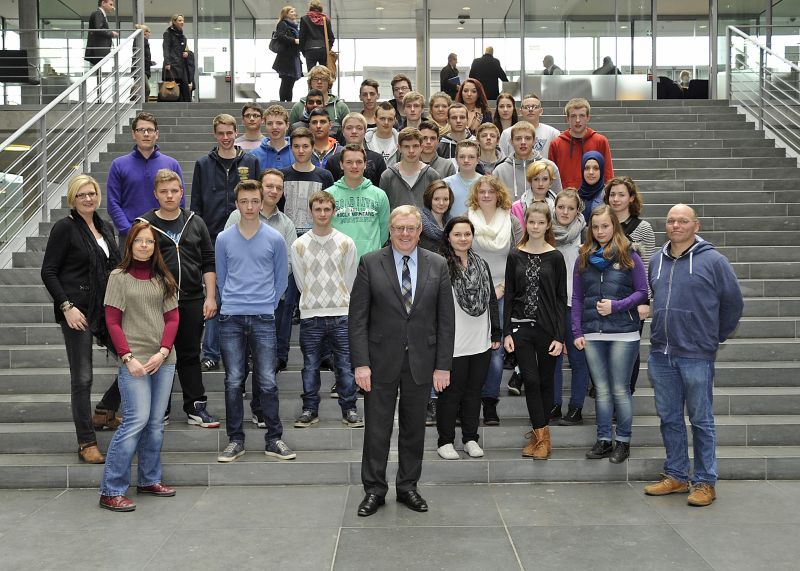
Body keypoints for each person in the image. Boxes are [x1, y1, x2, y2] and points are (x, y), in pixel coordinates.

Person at [349, 205, 455, 517]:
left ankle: (408, 487)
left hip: (422, 361)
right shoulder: (370, 263)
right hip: (379, 362)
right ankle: (374, 490)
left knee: (414, 430)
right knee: (377, 430)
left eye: (411, 228)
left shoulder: (437, 264)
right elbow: (357, 320)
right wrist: (361, 363)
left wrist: (443, 365)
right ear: (390, 230)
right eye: (399, 228)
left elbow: (446, 321)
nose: (405, 234)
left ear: (420, 231)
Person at [644, 204, 743, 507]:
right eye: (671, 221)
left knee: (701, 419)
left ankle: (704, 481)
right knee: (669, 417)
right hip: (661, 353)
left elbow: (733, 304)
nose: (676, 225)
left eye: (683, 221)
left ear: (696, 226)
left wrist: (712, 338)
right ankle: (676, 475)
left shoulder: (714, 261)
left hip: (696, 354)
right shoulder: (656, 261)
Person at [98, 221, 179, 512]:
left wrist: (163, 351)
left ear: (155, 247)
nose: (145, 246)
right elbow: (112, 321)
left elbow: (172, 319)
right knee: (135, 421)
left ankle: (148, 479)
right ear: (130, 245)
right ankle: (111, 490)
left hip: (163, 360)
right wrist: (128, 358)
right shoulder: (118, 277)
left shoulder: (163, 278)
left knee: (155, 425)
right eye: (139, 241)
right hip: (133, 361)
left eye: (150, 242)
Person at [41, 175, 122, 464]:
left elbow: (116, 267)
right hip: (77, 311)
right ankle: (86, 441)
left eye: (92, 193)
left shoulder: (106, 227)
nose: (88, 199)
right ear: (72, 200)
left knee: (134, 359)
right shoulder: (65, 228)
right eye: (81, 195)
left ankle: (105, 409)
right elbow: (48, 271)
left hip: (106, 308)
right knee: (83, 377)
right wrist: (66, 306)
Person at [215, 179, 292, 463]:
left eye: (254, 201)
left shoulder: (274, 238)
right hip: (231, 318)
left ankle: (274, 439)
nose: (249, 207)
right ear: (237, 205)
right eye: (243, 202)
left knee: (268, 380)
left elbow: (281, 278)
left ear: (262, 203)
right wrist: (233, 302)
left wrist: (267, 304)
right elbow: (222, 279)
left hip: (263, 317)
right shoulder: (224, 239)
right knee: (233, 380)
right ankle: (236, 440)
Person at [136, 169, 220, 428]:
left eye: (174, 191)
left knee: (189, 354)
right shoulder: (144, 225)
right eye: (164, 192)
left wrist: (211, 297)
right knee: (157, 355)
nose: (169, 196)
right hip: (156, 303)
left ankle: (195, 407)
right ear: (155, 194)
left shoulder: (195, 222)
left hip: (192, 299)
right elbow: (135, 264)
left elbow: (208, 261)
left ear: (182, 193)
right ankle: (159, 409)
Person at [572, 205, 647, 464]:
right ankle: (604, 440)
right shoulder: (583, 257)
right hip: (593, 333)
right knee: (602, 390)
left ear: (614, 225)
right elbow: (577, 298)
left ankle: (623, 442)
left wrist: (617, 306)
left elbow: (642, 291)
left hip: (624, 333)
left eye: (605, 225)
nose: (600, 231)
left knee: (619, 389)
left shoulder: (629, 254)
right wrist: (576, 330)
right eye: (595, 227)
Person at [190, 113, 260, 371]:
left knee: (246, 293)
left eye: (230, 132)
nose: (226, 137)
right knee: (214, 294)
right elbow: (195, 203)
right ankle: (209, 352)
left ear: (236, 132)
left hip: (245, 237)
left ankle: (248, 351)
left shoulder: (251, 161)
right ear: (215, 134)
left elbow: (257, 198)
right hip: (211, 238)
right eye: (221, 133)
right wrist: (197, 236)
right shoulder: (202, 164)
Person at [291, 190, 364, 429]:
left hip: (342, 313)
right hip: (312, 315)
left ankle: (350, 409)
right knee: (310, 365)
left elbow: (350, 278)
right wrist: (313, 300)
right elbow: (301, 282)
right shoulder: (299, 244)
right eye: (318, 209)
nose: (322, 213)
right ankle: (310, 409)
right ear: (311, 212)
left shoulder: (346, 242)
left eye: (327, 209)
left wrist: (340, 300)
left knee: (344, 364)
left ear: (333, 212)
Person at [504, 202, 566, 459]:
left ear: (548, 225)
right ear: (525, 224)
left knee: (544, 380)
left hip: (548, 329)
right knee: (529, 380)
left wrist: (560, 337)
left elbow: (561, 299)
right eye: (532, 222)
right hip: (520, 329)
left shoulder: (556, 257)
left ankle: (542, 438)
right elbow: (509, 295)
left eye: (541, 222)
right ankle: (541, 437)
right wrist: (506, 331)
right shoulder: (514, 255)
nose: (536, 227)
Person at [436, 216, 500, 460]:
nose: (463, 239)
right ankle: (445, 441)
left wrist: (495, 331)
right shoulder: (440, 265)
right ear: (448, 237)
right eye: (457, 234)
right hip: (453, 343)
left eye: (467, 234)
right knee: (451, 394)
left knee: (474, 392)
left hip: (480, 340)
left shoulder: (481, 264)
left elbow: (491, 299)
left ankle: (470, 438)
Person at [225, 169, 297, 381]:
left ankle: (261, 407)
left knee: (266, 362)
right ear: (260, 187)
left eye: (278, 188)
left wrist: (270, 288)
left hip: (272, 299)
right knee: (238, 365)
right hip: (241, 298)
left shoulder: (286, 224)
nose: (274, 191)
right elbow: (228, 254)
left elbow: (290, 262)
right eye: (269, 186)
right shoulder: (236, 217)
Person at [467, 176, 523, 425]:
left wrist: (502, 287)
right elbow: (458, 256)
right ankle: (468, 400)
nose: (486, 195)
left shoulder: (511, 221)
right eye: (482, 191)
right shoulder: (466, 218)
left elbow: (521, 259)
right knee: (469, 349)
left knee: (496, 351)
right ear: (475, 195)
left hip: (503, 294)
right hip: (470, 294)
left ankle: (490, 401)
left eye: (491, 191)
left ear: (499, 194)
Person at [605, 176, 656, 394]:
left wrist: (645, 301)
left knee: (628, 352)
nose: (616, 199)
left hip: (632, 300)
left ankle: (625, 395)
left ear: (631, 198)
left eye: (621, 195)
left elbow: (646, 267)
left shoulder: (642, 228)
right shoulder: (601, 224)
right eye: (612, 194)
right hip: (605, 299)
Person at [106, 112, 183, 247]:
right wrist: (129, 231)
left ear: (157, 134)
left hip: (164, 235)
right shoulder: (118, 165)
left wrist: (171, 230)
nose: (146, 134)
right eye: (141, 130)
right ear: (133, 134)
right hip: (130, 236)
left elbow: (179, 200)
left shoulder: (172, 164)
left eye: (150, 130)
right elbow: (113, 203)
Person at [549, 189, 589, 424]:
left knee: (577, 359)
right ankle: (554, 404)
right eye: (561, 207)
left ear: (577, 211)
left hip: (576, 305)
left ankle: (576, 407)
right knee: (552, 357)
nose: (565, 212)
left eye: (570, 208)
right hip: (552, 306)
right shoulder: (545, 231)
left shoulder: (585, 234)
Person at [327, 144, 390, 259]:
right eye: (349, 162)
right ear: (341, 165)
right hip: (339, 261)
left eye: (359, 162)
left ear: (365, 164)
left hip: (371, 262)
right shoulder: (329, 196)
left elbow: (384, 231)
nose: (354, 166)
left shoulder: (379, 195)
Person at [548, 98, 614, 189]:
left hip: (594, 197)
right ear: (567, 119)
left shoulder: (600, 141)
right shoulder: (556, 144)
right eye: (573, 116)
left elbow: (608, 173)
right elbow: (551, 175)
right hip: (566, 197)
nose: (578, 120)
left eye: (582, 116)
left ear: (588, 118)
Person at [280, 127, 335, 237]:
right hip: (287, 236)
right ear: (290, 148)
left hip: (317, 236)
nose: (301, 151)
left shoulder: (325, 175)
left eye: (305, 146)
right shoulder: (282, 175)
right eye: (296, 146)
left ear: (313, 147)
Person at [494, 121, 562, 202]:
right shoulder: (500, 171)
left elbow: (558, 200)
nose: (523, 142)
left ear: (534, 141)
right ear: (511, 142)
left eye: (528, 138)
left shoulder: (549, 167)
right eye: (518, 138)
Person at [380, 127, 441, 212]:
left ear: (421, 147)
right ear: (399, 148)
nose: (411, 151)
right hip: (396, 224)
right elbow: (382, 209)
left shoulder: (432, 176)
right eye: (406, 146)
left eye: (415, 146)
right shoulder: (388, 176)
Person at [326, 112, 387, 187]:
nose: (354, 131)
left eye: (359, 128)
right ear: (343, 131)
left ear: (365, 131)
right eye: (349, 128)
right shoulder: (333, 161)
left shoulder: (378, 160)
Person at [288, 66, 350, 137]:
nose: (319, 82)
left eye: (323, 79)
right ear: (310, 83)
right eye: (316, 79)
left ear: (329, 82)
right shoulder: (298, 106)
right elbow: (291, 131)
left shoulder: (341, 107)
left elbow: (347, 131)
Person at [499, 93, 559, 160]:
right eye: (526, 107)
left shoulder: (553, 133)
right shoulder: (507, 133)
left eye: (535, 107)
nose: (530, 110)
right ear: (520, 112)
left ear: (541, 111)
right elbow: (502, 160)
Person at [250, 104, 294, 171]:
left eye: (279, 123)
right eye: (270, 123)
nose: (274, 127)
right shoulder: (254, 154)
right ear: (265, 125)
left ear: (287, 125)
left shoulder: (297, 151)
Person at [272, 5, 302, 102]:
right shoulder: (283, 24)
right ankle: (283, 104)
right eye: (292, 12)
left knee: (291, 83)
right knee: (286, 81)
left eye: (294, 11)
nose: (294, 13)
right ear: (286, 14)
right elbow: (280, 36)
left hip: (294, 57)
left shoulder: (295, 26)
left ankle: (288, 104)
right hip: (285, 58)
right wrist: (295, 41)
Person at [444, 139, 482, 216]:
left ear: (478, 159)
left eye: (471, 157)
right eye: (462, 157)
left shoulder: (485, 183)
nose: (466, 160)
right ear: (456, 159)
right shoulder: (446, 183)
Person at [299, 0, 334, 72]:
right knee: (324, 73)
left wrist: (303, 51)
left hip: (310, 49)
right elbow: (331, 37)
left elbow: (302, 37)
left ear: (310, 7)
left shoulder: (304, 19)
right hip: (323, 49)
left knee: (311, 74)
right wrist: (328, 48)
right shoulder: (325, 19)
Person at [419, 179, 453, 252]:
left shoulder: (453, 224)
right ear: (429, 199)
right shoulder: (418, 221)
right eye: (436, 199)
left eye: (445, 199)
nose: (441, 203)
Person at [162, 14, 190, 102]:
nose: (182, 22)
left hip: (181, 64)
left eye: (183, 20)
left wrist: (186, 52)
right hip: (172, 64)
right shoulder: (168, 33)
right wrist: (167, 63)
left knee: (184, 87)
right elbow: (166, 48)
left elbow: (183, 48)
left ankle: (186, 107)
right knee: (172, 88)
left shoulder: (181, 34)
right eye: (180, 20)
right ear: (174, 22)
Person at [85, 0, 118, 67]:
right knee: (98, 70)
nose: (113, 7)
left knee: (98, 70)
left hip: (98, 50)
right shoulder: (98, 13)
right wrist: (112, 33)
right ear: (103, 3)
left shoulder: (100, 14)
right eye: (110, 4)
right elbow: (99, 29)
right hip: (97, 50)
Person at [578, 150, 606, 222]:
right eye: (586, 168)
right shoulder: (575, 195)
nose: (591, 172)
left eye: (596, 168)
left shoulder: (609, 196)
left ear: (602, 170)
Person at [133, 24, 154, 101]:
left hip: (142, 68)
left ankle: (143, 106)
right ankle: (143, 106)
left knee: (142, 89)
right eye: (149, 32)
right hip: (141, 69)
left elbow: (144, 56)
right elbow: (141, 56)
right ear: (145, 32)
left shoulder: (143, 41)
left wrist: (150, 62)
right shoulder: (141, 41)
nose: (150, 34)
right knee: (146, 89)